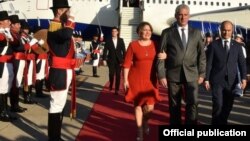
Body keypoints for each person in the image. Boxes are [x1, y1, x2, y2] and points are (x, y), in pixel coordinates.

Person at [156, 4, 206, 125]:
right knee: (174, 105)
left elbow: (202, 55)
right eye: (180, 15)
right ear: (175, 16)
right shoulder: (167, 33)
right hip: (173, 74)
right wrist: (161, 74)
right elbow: (161, 55)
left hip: (192, 73)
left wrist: (202, 73)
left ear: (189, 16)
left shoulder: (197, 33)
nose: (183, 17)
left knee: (193, 103)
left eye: (185, 15)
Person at [123, 22, 161, 141]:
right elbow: (127, 64)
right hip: (136, 80)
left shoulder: (156, 44)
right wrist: (125, 80)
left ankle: (145, 121)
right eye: (144, 30)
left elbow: (163, 57)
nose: (147, 32)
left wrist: (165, 55)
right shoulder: (133, 45)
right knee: (138, 105)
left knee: (149, 108)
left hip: (151, 80)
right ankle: (139, 130)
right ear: (139, 32)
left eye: (149, 30)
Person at [204, 21, 247, 125]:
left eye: (228, 30)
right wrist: (206, 79)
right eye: (224, 30)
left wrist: (244, 78)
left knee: (228, 106)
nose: (226, 32)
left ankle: (222, 123)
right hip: (217, 80)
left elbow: (242, 63)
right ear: (220, 30)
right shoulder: (213, 45)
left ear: (232, 31)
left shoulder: (237, 46)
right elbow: (209, 63)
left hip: (231, 81)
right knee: (218, 105)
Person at [47, 0, 76, 140]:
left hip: (64, 71)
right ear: (59, 11)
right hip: (59, 72)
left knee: (60, 105)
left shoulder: (60, 27)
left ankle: (56, 136)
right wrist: (71, 21)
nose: (69, 13)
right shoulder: (54, 26)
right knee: (56, 106)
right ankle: (53, 138)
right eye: (66, 10)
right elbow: (65, 35)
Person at [0, 10, 16, 122]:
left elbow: (14, 42)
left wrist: (7, 33)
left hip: (9, 62)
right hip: (2, 63)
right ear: (1, 22)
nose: (9, 22)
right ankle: (2, 112)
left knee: (7, 87)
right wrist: (4, 33)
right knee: (2, 88)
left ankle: (5, 110)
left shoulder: (6, 32)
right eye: (7, 20)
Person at [103, 27, 126, 95]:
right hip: (111, 60)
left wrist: (125, 59)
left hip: (119, 60)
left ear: (117, 32)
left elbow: (124, 50)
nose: (114, 32)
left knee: (118, 75)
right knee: (111, 74)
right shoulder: (108, 40)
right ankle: (111, 85)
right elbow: (105, 50)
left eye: (115, 31)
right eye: (112, 31)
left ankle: (117, 89)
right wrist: (104, 59)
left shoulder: (121, 40)